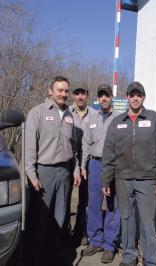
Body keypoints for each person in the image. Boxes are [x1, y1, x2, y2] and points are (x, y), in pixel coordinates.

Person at [102, 81, 156, 266]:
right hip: (122, 179)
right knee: (126, 219)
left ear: (143, 97)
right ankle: (129, 257)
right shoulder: (117, 123)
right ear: (126, 97)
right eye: (132, 95)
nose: (135, 98)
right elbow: (109, 153)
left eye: (139, 95)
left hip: (147, 181)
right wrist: (106, 180)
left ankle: (150, 261)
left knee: (147, 223)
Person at [25, 76, 81, 266]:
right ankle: (36, 258)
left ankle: (53, 255)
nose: (64, 94)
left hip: (64, 172)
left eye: (66, 91)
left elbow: (73, 147)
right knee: (40, 219)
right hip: (44, 172)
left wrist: (76, 170)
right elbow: (29, 148)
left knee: (60, 216)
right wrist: (31, 175)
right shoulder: (37, 113)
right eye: (60, 90)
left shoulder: (69, 116)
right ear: (50, 91)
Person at [81, 84, 120, 264]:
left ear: (112, 97)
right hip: (95, 165)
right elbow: (86, 144)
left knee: (112, 204)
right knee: (94, 203)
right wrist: (83, 165)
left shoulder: (119, 118)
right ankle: (94, 240)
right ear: (98, 98)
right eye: (101, 95)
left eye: (107, 95)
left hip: (113, 165)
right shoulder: (92, 118)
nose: (104, 98)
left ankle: (109, 245)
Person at [68, 84, 96, 245]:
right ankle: (65, 231)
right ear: (73, 96)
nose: (80, 97)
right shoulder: (65, 112)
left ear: (87, 96)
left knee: (85, 199)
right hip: (68, 161)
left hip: (87, 162)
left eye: (83, 94)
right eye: (77, 93)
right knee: (65, 199)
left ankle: (81, 230)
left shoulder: (95, 114)